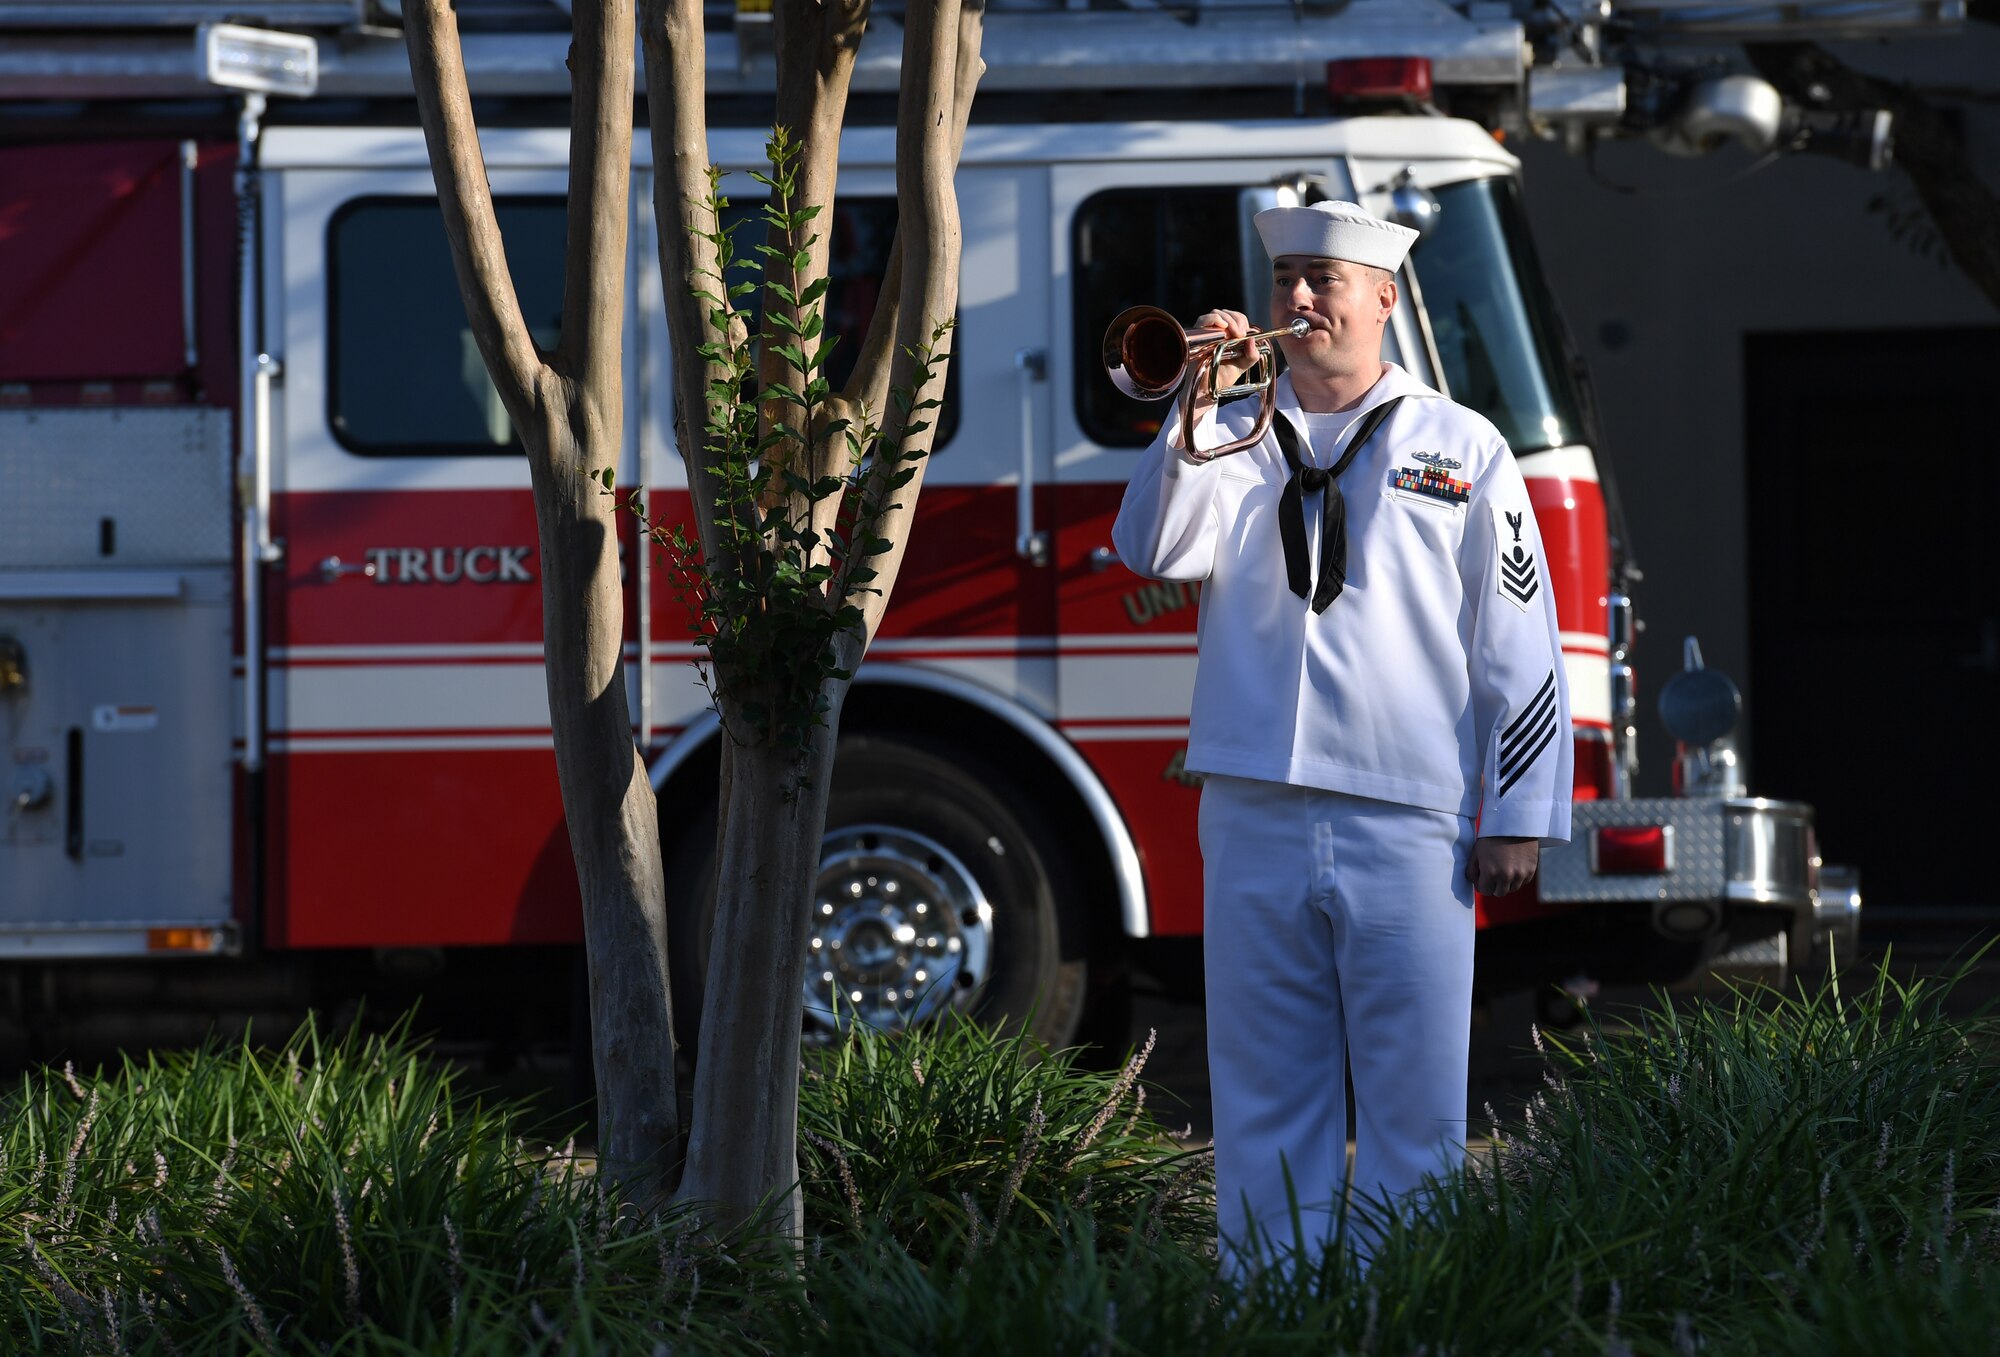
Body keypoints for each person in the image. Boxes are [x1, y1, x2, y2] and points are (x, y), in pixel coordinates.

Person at [1111, 199, 1572, 1266]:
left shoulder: (1459, 444)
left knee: (1413, 1105)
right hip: (1251, 803)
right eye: (1286, 282)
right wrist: (1196, 406)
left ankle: (1408, 1310)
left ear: (1383, 297)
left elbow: (1516, 642)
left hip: (1406, 810)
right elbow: (1149, 548)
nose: (1299, 299)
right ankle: (1267, 1313)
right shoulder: (1231, 428)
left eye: (1323, 279)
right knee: (1265, 1097)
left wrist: (1516, 814)